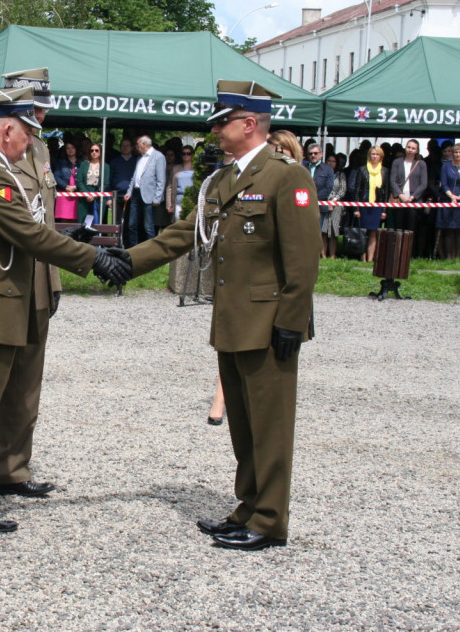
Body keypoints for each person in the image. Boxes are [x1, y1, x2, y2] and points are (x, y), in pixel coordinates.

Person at [0, 86, 130, 554]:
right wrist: (94, 259)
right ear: (7, 129)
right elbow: (25, 234)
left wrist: (76, 242)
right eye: (28, 133)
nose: (30, 144)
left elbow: (29, 229)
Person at [122, 80, 320, 551]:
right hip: (232, 321)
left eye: (221, 123)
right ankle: (248, 506)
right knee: (245, 427)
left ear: (249, 124)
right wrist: (124, 263)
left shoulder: (286, 176)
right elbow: (181, 235)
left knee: (270, 427)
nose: (214, 131)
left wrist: (292, 319)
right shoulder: (226, 180)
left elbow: (304, 256)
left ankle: (270, 521)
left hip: (272, 323)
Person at [0, 68, 65, 510]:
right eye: (35, 106)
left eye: (43, 106)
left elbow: (43, 216)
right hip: (5, 279)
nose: (43, 114)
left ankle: (12, 470)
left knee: (27, 386)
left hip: (39, 280)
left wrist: (55, 277)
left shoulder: (40, 147)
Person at [348, 145, 388, 262]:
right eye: (372, 154)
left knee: (373, 232)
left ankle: (370, 258)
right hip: (364, 204)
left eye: (377, 154)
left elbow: (386, 192)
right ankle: (363, 256)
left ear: (381, 156)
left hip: (377, 205)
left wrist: (384, 210)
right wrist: (356, 208)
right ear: (369, 155)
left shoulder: (384, 171)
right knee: (363, 232)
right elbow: (357, 190)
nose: (374, 156)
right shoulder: (362, 170)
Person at [123, 135, 166, 245]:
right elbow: (134, 177)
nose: (136, 147)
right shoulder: (140, 158)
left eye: (137, 145)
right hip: (136, 193)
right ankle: (134, 249)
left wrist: (157, 197)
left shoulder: (158, 157)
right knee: (132, 224)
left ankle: (151, 251)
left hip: (149, 195)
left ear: (144, 144)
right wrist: (129, 192)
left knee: (148, 226)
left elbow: (161, 179)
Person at [437, 141, 460, 259]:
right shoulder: (446, 166)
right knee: (448, 230)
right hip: (448, 200)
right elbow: (444, 183)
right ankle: (448, 257)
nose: (458, 154)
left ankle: (458, 256)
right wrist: (452, 196)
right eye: (456, 152)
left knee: (459, 230)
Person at [389, 139, 428, 234]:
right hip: (399, 199)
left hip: (414, 200)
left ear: (417, 150)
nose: (410, 150)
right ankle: (398, 249)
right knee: (398, 229)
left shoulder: (421, 164)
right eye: (408, 147)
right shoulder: (397, 162)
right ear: (405, 148)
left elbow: (423, 184)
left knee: (411, 230)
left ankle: (409, 249)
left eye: (413, 148)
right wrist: (400, 195)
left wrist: (412, 197)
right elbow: (392, 180)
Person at [304, 143, 336, 258]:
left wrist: (313, 198)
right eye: (310, 153)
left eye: (315, 153)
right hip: (302, 205)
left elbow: (328, 188)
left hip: (319, 205)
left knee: (317, 231)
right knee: (303, 230)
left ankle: (314, 254)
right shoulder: (302, 166)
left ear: (321, 154)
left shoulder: (328, 170)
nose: (313, 155)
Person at [108, 137, 138, 232]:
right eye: (123, 145)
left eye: (127, 145)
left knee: (131, 223)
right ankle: (117, 243)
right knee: (117, 223)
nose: (125, 147)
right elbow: (109, 180)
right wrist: (109, 198)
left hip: (132, 197)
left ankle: (129, 244)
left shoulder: (137, 162)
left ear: (132, 147)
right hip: (116, 196)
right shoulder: (114, 162)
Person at [321, 153, 347, 259]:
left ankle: (332, 255)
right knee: (323, 230)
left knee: (333, 231)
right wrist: (325, 201)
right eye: (329, 161)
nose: (331, 163)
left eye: (333, 161)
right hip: (323, 204)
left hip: (336, 205)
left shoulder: (341, 175)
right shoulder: (322, 173)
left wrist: (333, 201)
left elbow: (342, 190)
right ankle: (323, 255)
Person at [76, 142, 109, 223]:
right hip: (84, 196)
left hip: (98, 196)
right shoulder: (84, 164)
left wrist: (94, 195)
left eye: (96, 150)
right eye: (92, 150)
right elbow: (79, 180)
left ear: (100, 152)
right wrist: (87, 194)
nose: (94, 152)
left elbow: (105, 183)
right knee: (82, 223)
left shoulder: (105, 166)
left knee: (96, 223)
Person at [53, 139, 80, 222]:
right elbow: (56, 177)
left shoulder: (82, 162)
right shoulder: (60, 162)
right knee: (64, 222)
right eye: (68, 148)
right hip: (64, 194)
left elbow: (83, 178)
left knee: (75, 221)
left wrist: (74, 187)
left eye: (72, 148)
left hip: (77, 194)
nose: (70, 150)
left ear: (76, 149)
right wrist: (66, 186)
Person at [170, 145, 195, 220]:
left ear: (192, 155)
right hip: (179, 200)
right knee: (178, 222)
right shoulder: (176, 168)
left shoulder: (197, 168)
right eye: (183, 153)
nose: (186, 155)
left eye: (188, 153)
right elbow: (170, 187)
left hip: (193, 200)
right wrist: (169, 204)